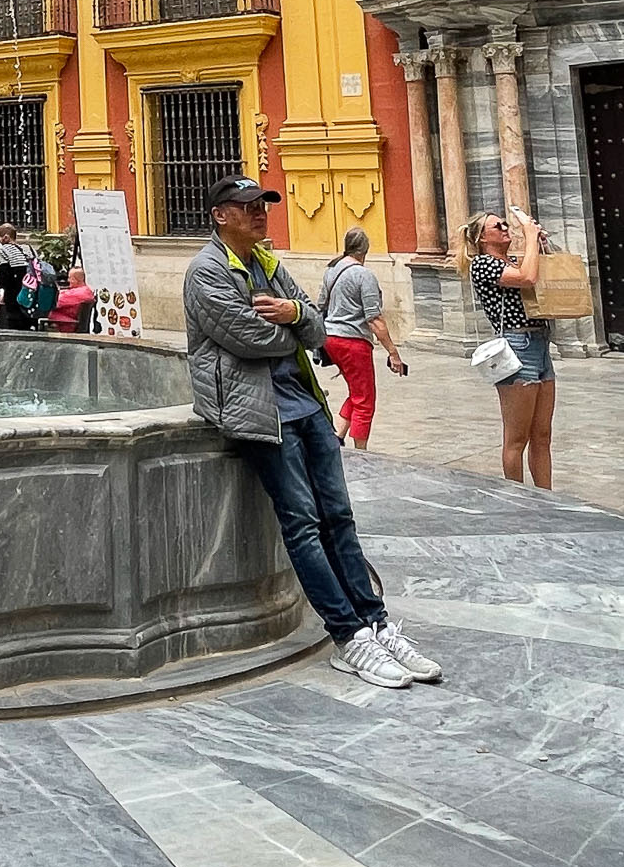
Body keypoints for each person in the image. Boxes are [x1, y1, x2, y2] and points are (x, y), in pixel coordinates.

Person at [183, 174, 440, 690]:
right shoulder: (206, 272)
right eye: (249, 206)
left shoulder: (268, 264)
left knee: (339, 517)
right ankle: (349, 637)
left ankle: (377, 624)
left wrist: (295, 312)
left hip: (306, 406)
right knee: (301, 522)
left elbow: (319, 325)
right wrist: (293, 325)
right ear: (220, 215)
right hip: (260, 413)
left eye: (265, 205)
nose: (262, 213)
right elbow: (251, 338)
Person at [463, 206, 554, 488]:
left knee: (542, 434)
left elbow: (543, 275)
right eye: (497, 226)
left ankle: (547, 498)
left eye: (505, 224)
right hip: (516, 346)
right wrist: (528, 234)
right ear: (482, 239)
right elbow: (527, 279)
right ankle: (518, 499)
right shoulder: (483, 265)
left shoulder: (513, 260)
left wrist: (539, 245)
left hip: (539, 343)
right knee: (517, 438)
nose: (504, 228)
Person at [320, 229, 405, 450]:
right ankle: (361, 452)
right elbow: (374, 318)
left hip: (330, 338)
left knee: (357, 391)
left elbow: (321, 304)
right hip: (353, 343)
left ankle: (337, 435)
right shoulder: (363, 275)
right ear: (365, 249)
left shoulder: (331, 270)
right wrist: (393, 353)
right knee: (365, 400)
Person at [0, 224, 37, 330]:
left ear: (6, 237)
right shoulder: (29, 249)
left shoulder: (4, 250)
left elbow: (4, 279)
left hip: (15, 299)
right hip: (31, 297)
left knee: (15, 329)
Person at [49, 264, 96, 334]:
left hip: (64, 325)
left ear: (75, 279)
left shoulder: (77, 294)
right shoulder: (86, 291)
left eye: (69, 278)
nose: (68, 280)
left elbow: (55, 301)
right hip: (68, 322)